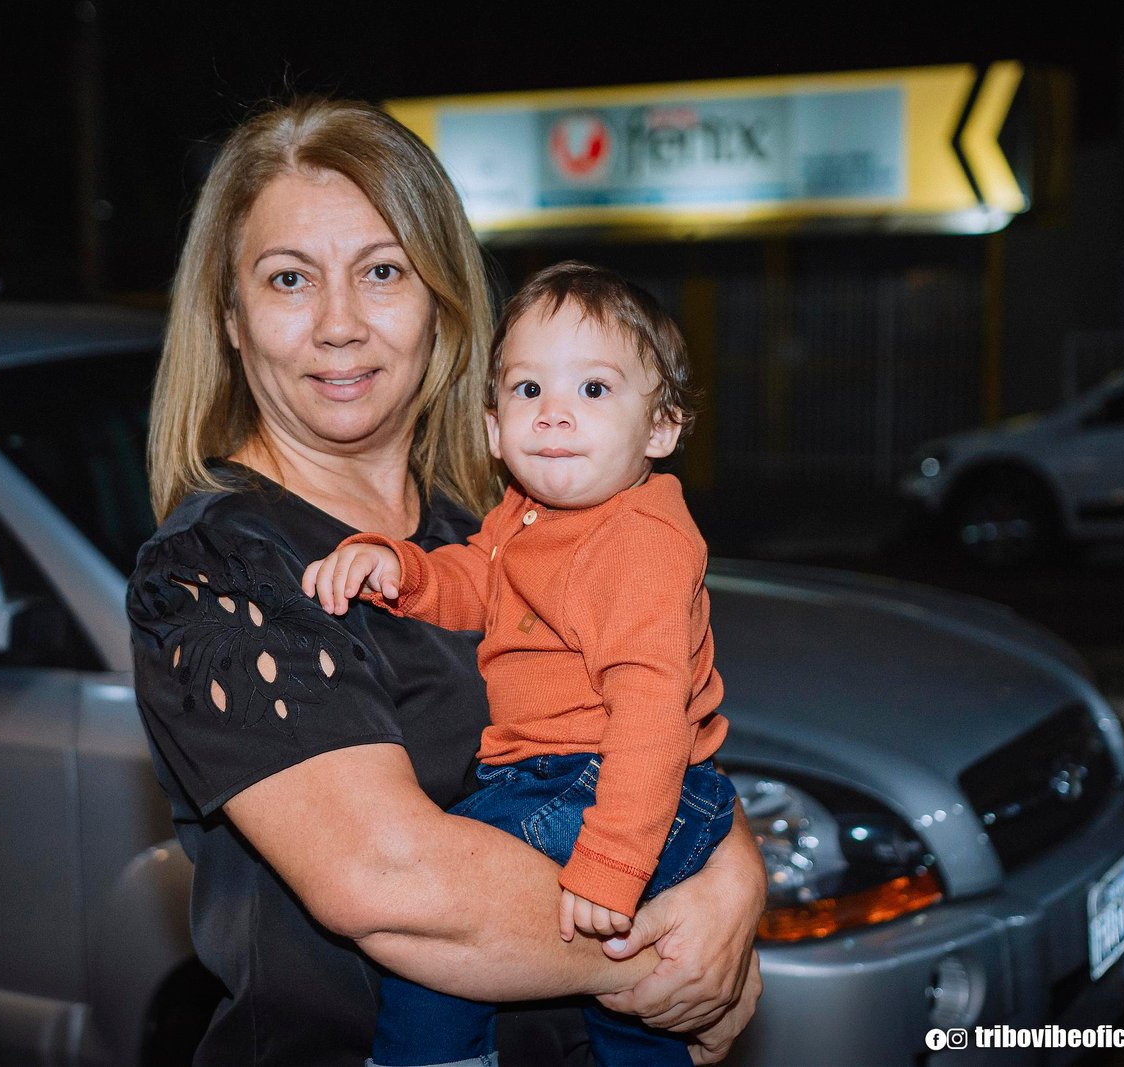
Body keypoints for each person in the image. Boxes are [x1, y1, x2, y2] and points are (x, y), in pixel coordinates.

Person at [127, 96, 765, 1067]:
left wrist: (738, 878)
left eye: (382, 271)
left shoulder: (496, 523)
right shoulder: (217, 568)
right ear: (231, 320)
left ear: (442, 300)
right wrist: (675, 949)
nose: (340, 325)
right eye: (290, 278)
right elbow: (391, 882)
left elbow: (649, 718)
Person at [304, 261, 735, 1067]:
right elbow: (481, 576)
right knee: (632, 1016)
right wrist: (403, 569)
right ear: (495, 428)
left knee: (438, 940)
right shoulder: (527, 514)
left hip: (606, 785)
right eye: (529, 389)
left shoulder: (639, 541)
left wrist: (613, 860)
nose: (555, 413)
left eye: (594, 389)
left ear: (661, 429)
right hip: (575, 779)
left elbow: (650, 716)